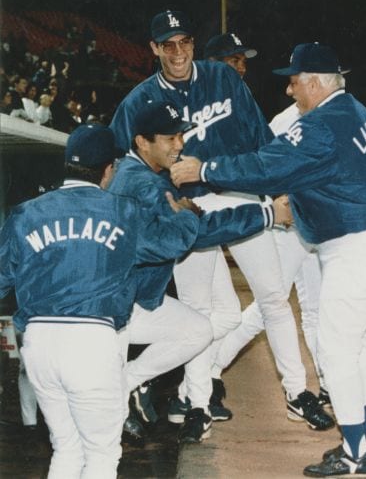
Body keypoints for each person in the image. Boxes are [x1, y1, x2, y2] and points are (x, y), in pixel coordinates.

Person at [171, 42, 366, 478]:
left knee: (336, 349)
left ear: (316, 84)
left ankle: (355, 453)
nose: (289, 90)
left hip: (359, 246)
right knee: (355, 341)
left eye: (295, 81)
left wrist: (203, 170)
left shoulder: (320, 124)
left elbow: (266, 167)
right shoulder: (356, 111)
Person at [110, 10, 333, 442]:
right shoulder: (139, 100)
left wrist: (277, 190)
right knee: (199, 310)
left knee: (272, 296)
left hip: (238, 193)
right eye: (168, 45)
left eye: (184, 42)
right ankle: (198, 404)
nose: (178, 52)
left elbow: (259, 137)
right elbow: (123, 159)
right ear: (154, 48)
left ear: (194, 44)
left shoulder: (223, 77)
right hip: (190, 209)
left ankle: (296, 392)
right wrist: (159, 203)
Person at [0, 123, 203, 479]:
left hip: (39, 344)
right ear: (109, 169)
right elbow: (169, 243)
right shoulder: (123, 211)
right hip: (91, 342)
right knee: (101, 455)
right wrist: (186, 216)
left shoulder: (26, 213)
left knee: (66, 450)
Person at [109, 100, 290, 444]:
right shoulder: (147, 185)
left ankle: (133, 383)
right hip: (123, 306)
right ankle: (127, 385)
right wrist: (267, 214)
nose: (180, 144)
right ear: (142, 142)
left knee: (211, 322)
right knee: (197, 330)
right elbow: (198, 234)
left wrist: (190, 216)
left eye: (181, 136)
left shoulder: (142, 173)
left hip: (131, 296)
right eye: (170, 138)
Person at [205, 34, 331, 409]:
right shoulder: (285, 120)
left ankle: (327, 382)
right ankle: (211, 368)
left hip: (313, 226)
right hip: (287, 226)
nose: (241, 67)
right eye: (233, 60)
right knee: (267, 307)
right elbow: (267, 170)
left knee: (313, 309)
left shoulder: (329, 117)